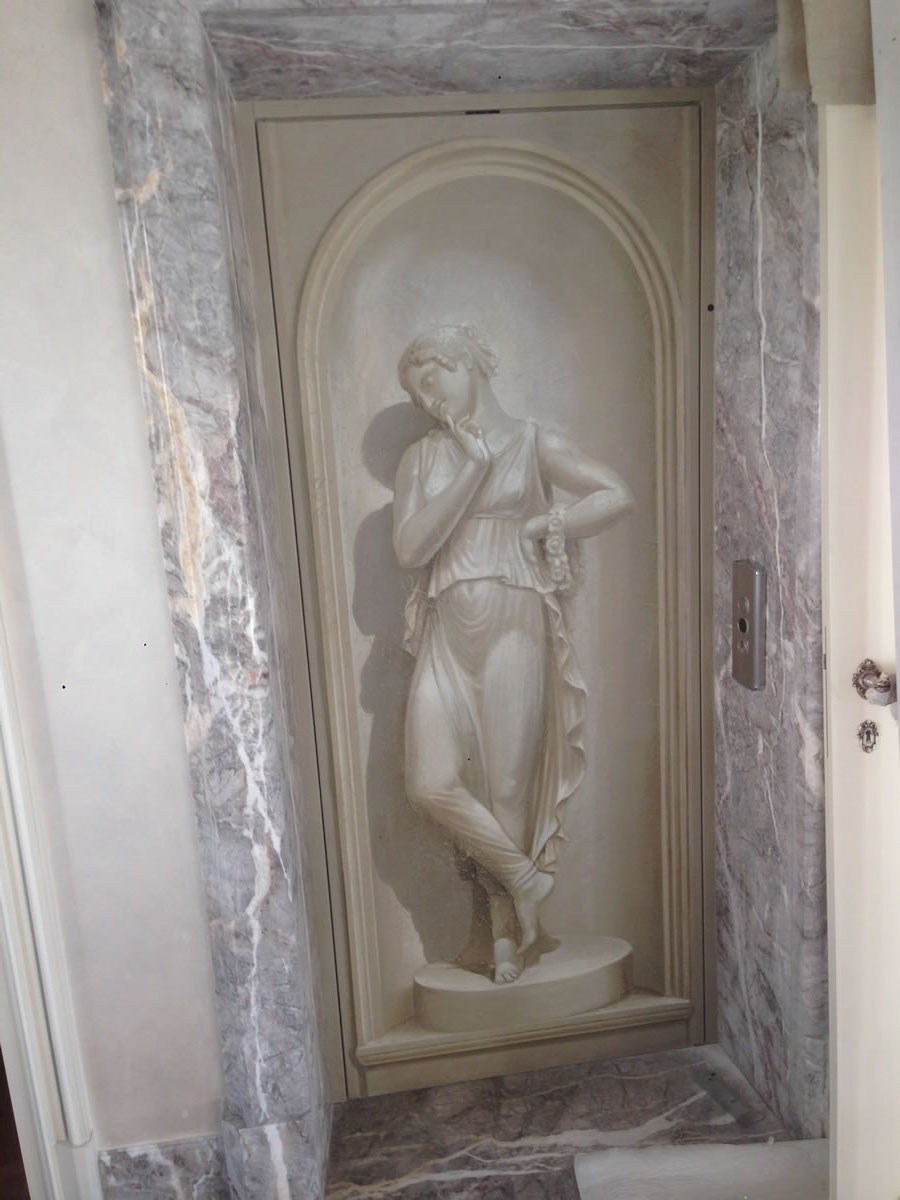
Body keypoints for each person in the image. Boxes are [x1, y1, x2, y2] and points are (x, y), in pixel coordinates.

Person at [393, 324, 633, 984]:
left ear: (467, 363)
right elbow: (410, 548)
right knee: (430, 783)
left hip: (514, 619)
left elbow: (616, 494)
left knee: (505, 786)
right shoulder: (422, 457)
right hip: (447, 628)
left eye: (432, 378)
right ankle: (527, 881)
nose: (428, 398)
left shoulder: (531, 442)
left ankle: (506, 938)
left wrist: (542, 523)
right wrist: (471, 468)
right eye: (416, 393)